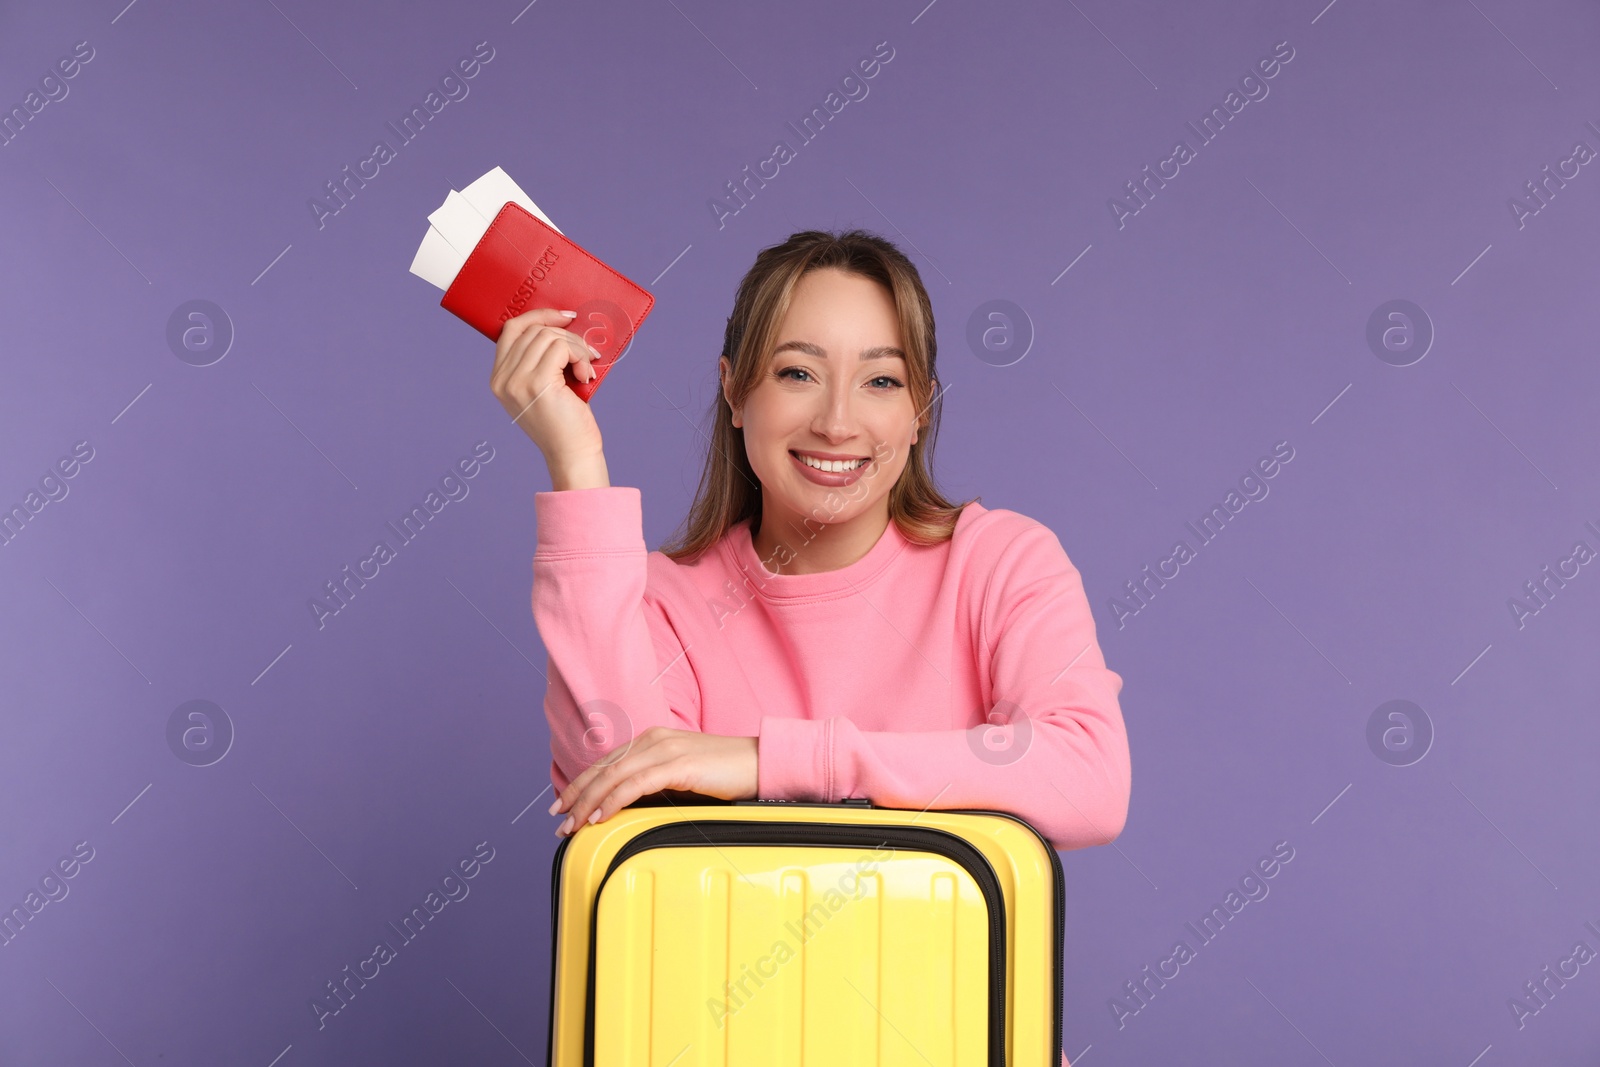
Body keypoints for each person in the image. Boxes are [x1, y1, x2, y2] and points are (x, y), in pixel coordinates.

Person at [493, 227, 1130, 850]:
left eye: (881, 381)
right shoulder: (660, 603)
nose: (836, 423)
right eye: (798, 373)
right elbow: (628, 818)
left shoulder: (1000, 564)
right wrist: (576, 463)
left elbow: (1088, 780)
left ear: (920, 413)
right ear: (734, 391)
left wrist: (769, 761)